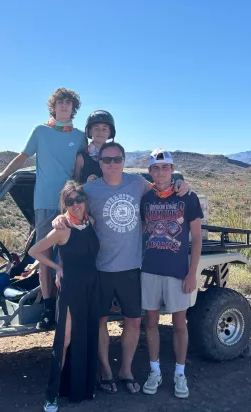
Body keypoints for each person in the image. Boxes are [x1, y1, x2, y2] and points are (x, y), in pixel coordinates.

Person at [53, 142, 190, 394]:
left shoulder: (137, 183)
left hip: (133, 267)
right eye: (107, 160)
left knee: (133, 321)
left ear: (124, 161)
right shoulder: (90, 189)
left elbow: (163, 189)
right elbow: (71, 206)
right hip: (100, 268)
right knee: (100, 321)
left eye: (117, 159)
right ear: (100, 163)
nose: (112, 164)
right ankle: (106, 370)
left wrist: (182, 184)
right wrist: (60, 217)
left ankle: (125, 370)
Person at [0, 87, 87, 331]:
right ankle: (48, 307)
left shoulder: (81, 137)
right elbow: (21, 158)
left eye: (68, 103)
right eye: (60, 102)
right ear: (53, 107)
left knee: (72, 256)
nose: (64, 106)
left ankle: (71, 307)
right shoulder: (41, 131)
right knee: (45, 256)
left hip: (71, 203)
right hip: (45, 202)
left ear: (73, 108)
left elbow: (87, 165)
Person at [28, 181, 100, 412]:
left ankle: (82, 387)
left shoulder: (91, 222)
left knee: (87, 333)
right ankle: (52, 394)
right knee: (66, 338)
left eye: (79, 199)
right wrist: (56, 267)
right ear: (64, 205)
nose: (76, 204)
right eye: (70, 201)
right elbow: (34, 251)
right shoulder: (61, 229)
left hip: (92, 283)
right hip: (71, 286)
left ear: (85, 200)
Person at [140, 149, 203, 398]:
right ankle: (154, 370)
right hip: (150, 269)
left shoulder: (188, 197)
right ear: (150, 172)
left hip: (177, 272)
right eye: (155, 168)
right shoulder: (146, 198)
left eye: (165, 167)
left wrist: (191, 273)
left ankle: (180, 373)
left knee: (179, 324)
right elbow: (143, 231)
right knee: (151, 323)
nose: (161, 172)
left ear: (172, 169)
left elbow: (196, 238)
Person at [74, 110, 115, 183]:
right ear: (89, 131)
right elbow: (75, 185)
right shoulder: (81, 158)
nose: (100, 132)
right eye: (96, 128)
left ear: (110, 132)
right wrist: (87, 183)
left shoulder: (115, 156)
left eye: (104, 129)